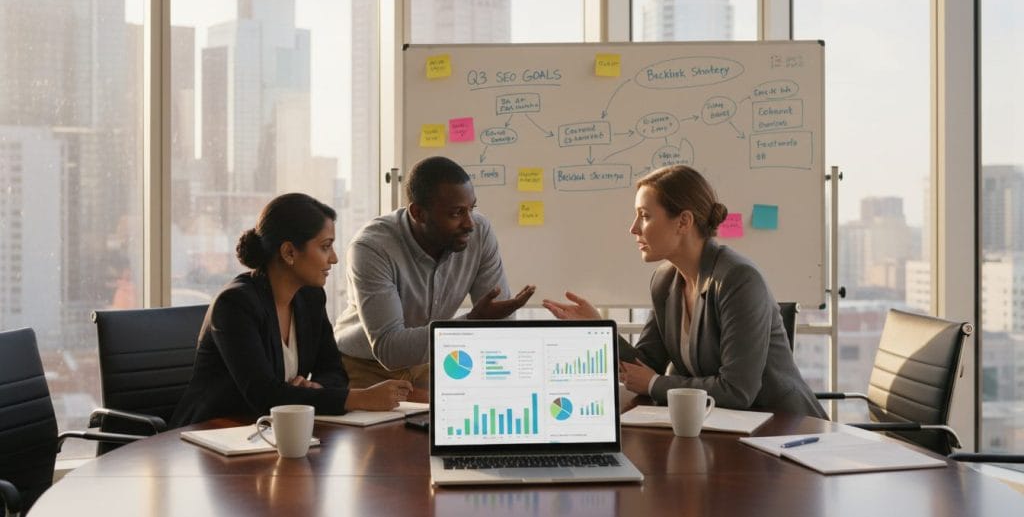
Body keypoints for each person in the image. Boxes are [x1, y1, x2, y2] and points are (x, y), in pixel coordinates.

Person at [542, 165, 827, 419]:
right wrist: (599, 330)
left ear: (683, 221)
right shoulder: (665, 281)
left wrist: (655, 384)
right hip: (723, 428)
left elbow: (737, 391)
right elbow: (645, 366)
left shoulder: (738, 279)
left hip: (785, 431)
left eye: (645, 216)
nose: (633, 228)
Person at [170, 193, 411, 428]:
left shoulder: (310, 297)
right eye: (325, 246)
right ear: (289, 252)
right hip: (212, 434)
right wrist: (361, 398)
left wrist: (315, 386)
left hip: (270, 433)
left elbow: (333, 370)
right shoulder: (235, 304)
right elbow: (264, 396)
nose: (334, 258)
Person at [334, 156, 535, 390]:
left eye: (472, 209)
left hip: (429, 359)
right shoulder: (372, 248)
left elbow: (498, 319)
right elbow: (389, 349)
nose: (470, 223)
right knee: (384, 428)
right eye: (456, 213)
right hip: (365, 365)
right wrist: (472, 322)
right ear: (418, 213)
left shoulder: (478, 232)